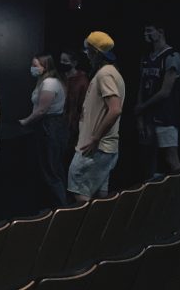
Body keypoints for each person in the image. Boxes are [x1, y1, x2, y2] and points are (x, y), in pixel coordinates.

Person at [68, 31, 125, 202]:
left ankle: (85, 228)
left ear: (95, 52)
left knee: (80, 191)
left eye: (88, 51)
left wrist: (95, 138)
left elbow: (115, 109)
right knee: (100, 195)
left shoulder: (105, 74)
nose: (86, 55)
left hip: (95, 148)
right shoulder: (112, 72)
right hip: (105, 147)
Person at [134, 22, 180, 179]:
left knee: (170, 158)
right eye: (144, 30)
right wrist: (140, 116)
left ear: (160, 31)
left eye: (149, 30)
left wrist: (142, 107)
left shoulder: (172, 56)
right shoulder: (145, 58)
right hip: (148, 118)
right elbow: (141, 87)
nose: (145, 34)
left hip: (166, 117)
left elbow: (165, 91)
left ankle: (179, 193)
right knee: (148, 159)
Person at [19, 54, 68, 207]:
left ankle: (62, 208)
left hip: (50, 127)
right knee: (51, 168)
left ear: (45, 67)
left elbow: (42, 110)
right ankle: (58, 205)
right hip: (50, 126)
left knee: (51, 170)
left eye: (36, 65)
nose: (33, 68)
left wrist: (25, 121)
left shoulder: (49, 83)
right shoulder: (46, 82)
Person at [59, 48, 89, 169]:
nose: (62, 63)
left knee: (68, 156)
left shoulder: (82, 80)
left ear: (74, 63)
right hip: (57, 121)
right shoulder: (59, 76)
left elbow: (83, 106)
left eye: (65, 61)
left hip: (72, 124)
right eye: (61, 60)